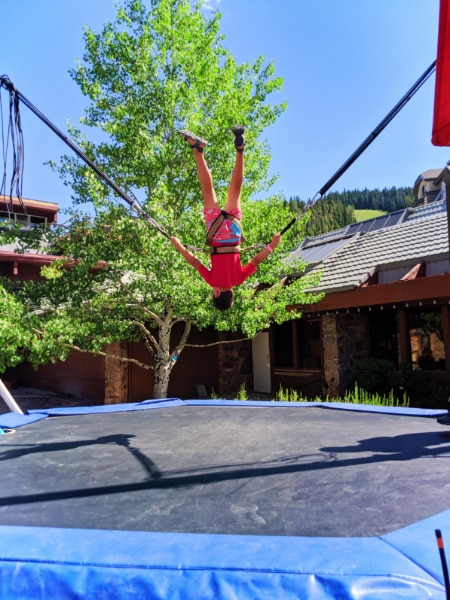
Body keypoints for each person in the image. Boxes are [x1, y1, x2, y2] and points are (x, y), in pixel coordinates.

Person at [171, 126, 281, 310]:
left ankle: (240, 150)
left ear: (232, 294)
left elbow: (256, 261)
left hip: (233, 233)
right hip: (216, 232)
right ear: (215, 293)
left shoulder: (238, 280)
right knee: (208, 191)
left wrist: (272, 245)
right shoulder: (212, 281)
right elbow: (194, 261)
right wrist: (178, 246)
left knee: (235, 190)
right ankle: (198, 151)